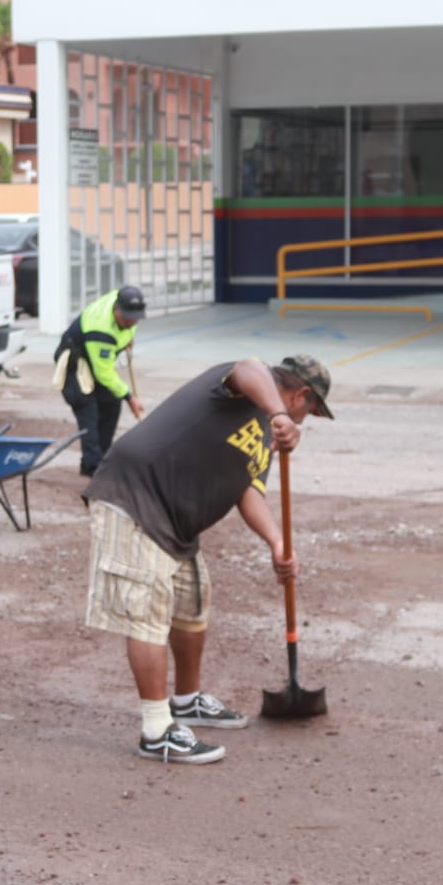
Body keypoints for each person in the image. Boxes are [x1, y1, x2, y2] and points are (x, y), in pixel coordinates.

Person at [82, 355, 334, 765]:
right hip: (135, 496)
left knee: (191, 605)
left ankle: (187, 700)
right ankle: (156, 730)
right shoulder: (247, 386)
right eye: (311, 412)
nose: (306, 422)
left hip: (177, 521)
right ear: (300, 395)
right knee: (149, 611)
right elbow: (248, 366)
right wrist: (278, 413)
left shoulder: (268, 431)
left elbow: (247, 490)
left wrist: (277, 543)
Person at [53, 286, 147, 476]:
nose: (132, 321)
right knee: (88, 412)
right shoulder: (100, 331)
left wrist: (127, 337)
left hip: (95, 359)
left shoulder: (122, 303)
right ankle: (92, 467)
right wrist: (130, 398)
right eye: (127, 318)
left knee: (111, 404)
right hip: (75, 362)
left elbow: (127, 328)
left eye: (135, 317)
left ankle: (103, 460)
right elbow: (104, 373)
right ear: (116, 309)